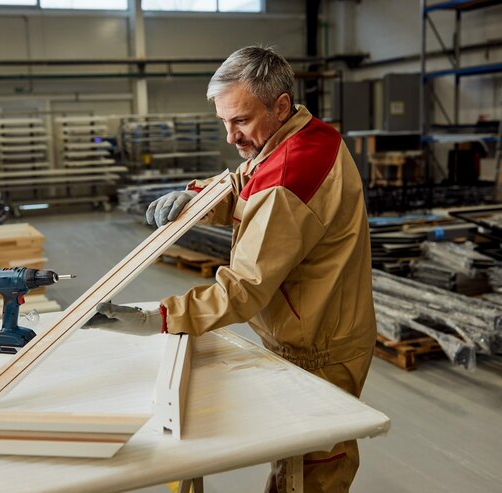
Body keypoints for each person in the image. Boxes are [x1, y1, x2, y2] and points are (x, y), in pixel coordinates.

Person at [86, 46, 376, 493]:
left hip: (320, 346)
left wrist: (155, 318)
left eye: (240, 121)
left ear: (280, 105)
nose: (230, 136)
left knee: (312, 470)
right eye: (224, 121)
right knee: (294, 457)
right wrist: (199, 197)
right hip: (315, 324)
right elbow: (246, 181)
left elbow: (243, 290)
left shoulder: (289, 180)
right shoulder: (305, 133)